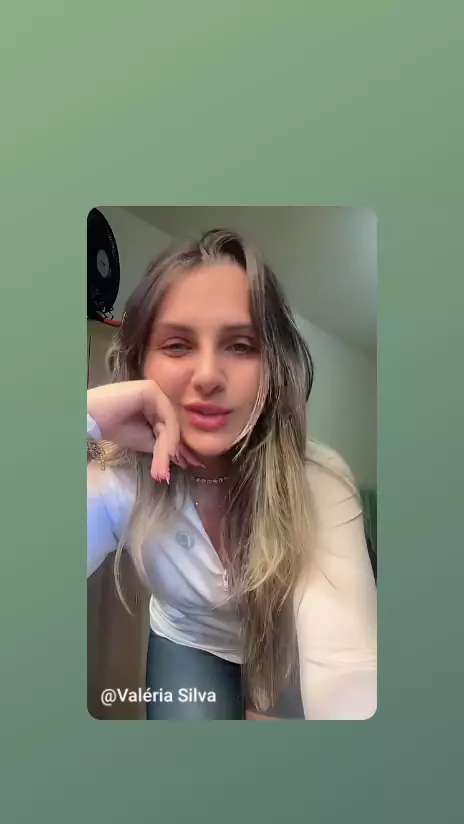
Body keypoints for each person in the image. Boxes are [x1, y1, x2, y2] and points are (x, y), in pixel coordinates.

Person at [87, 228, 377, 721]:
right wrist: (86, 417)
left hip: (284, 649)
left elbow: (348, 672)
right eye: (177, 345)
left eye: (241, 346)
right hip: (188, 639)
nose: (207, 376)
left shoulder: (319, 481)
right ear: (140, 363)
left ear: (273, 368)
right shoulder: (119, 479)